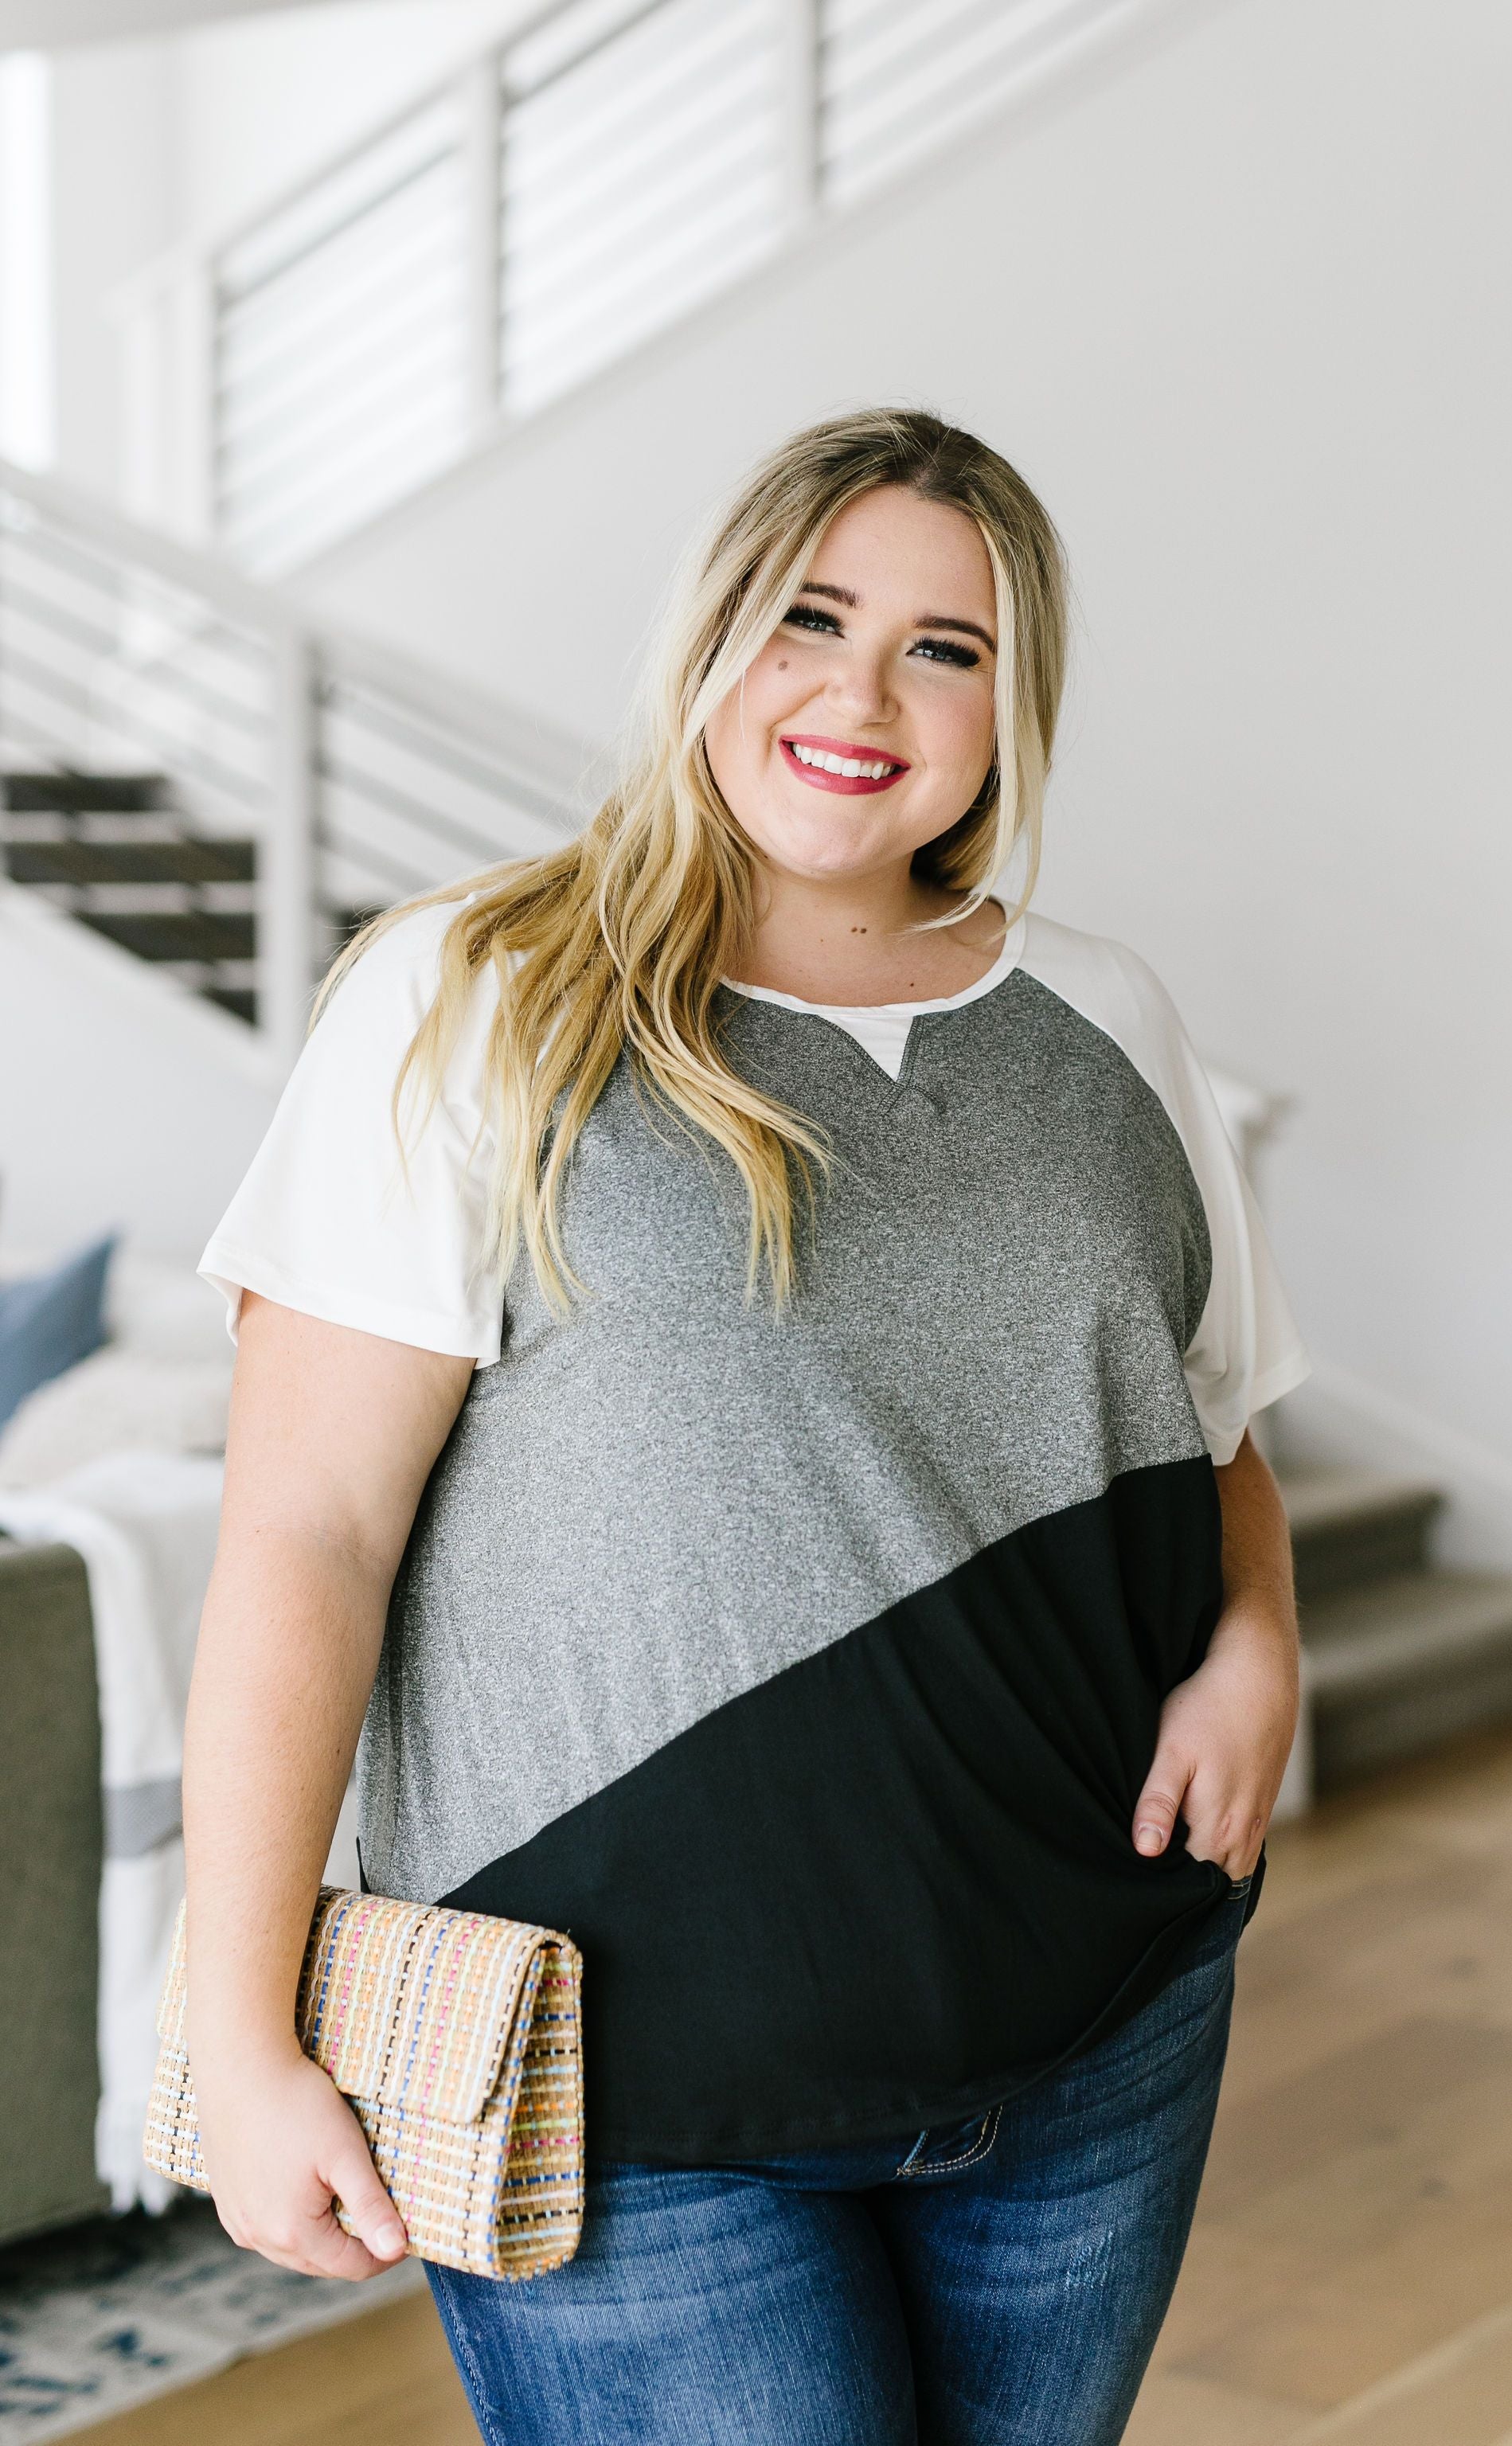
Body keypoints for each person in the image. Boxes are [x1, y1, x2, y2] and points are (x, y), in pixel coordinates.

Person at [182, 407, 1307, 2446]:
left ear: (1009, 702)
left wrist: (1255, 1645)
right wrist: (237, 2030)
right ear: (711, 634)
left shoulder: (1112, 1021)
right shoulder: (471, 996)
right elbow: (306, 1536)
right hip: (623, 2089)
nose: (862, 695)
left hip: (1095, 2028)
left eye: (943, 648)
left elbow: (1203, 1425)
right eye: (809, 616)